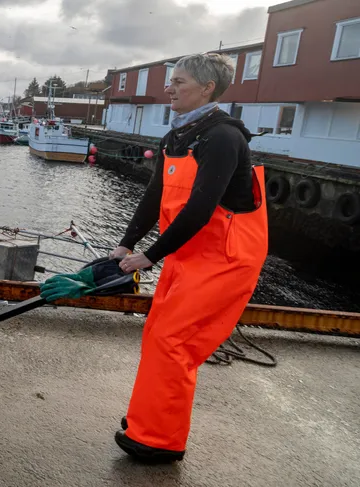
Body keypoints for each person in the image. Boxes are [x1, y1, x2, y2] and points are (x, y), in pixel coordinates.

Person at [110, 53, 268, 462]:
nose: (170, 88)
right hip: (188, 253)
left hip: (224, 258)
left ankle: (161, 442)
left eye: (178, 82)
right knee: (157, 334)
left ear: (206, 89)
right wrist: (127, 243)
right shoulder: (176, 137)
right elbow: (154, 197)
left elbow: (200, 209)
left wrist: (150, 255)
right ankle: (146, 419)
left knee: (174, 341)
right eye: (171, 81)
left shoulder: (223, 137)